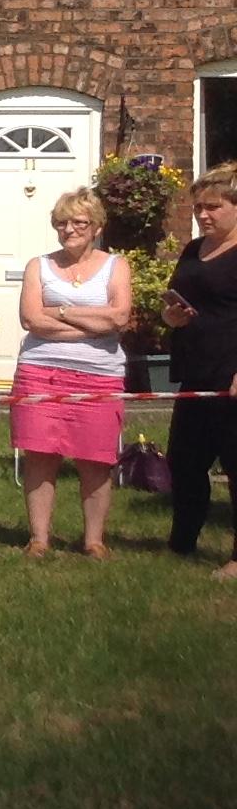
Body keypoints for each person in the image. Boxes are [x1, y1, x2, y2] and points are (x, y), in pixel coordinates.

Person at [11, 188, 130, 559]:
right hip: (40, 371)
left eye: (79, 222)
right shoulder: (38, 266)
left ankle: (94, 540)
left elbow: (120, 317)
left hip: (100, 375)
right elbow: (31, 319)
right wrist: (94, 325)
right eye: (62, 222)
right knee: (40, 456)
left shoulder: (116, 266)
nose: (69, 229)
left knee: (96, 459)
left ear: (96, 227)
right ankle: (39, 539)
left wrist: (60, 311)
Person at [160, 162, 237, 578]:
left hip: (231, 371)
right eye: (198, 208)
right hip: (195, 370)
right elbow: (174, 300)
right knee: (185, 461)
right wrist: (171, 316)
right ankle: (182, 543)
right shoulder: (193, 250)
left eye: (213, 207)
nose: (203, 215)